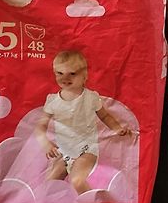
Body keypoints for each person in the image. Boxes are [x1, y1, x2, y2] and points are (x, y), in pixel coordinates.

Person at [35, 49, 130, 193]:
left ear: (85, 76)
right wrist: (45, 143)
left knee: (77, 181)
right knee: (48, 184)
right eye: (60, 73)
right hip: (64, 152)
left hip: (86, 150)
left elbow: (105, 116)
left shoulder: (91, 98)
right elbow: (40, 126)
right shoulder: (53, 101)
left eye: (72, 73)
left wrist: (117, 128)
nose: (65, 78)